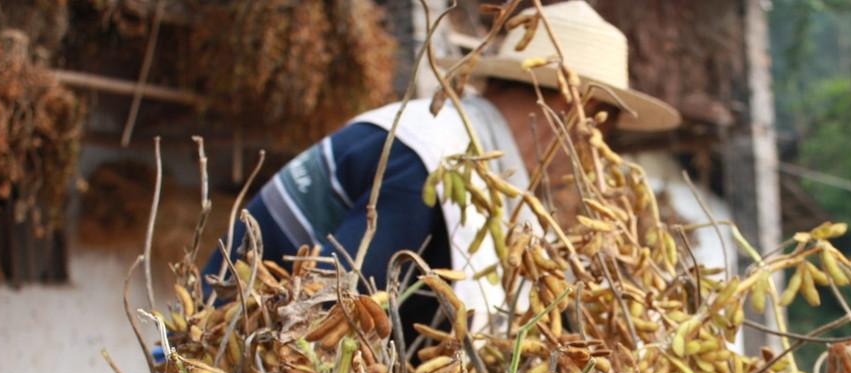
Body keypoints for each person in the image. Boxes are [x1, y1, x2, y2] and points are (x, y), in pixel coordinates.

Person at [203, 0, 679, 333]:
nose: (595, 149)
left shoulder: (465, 158)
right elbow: (336, 313)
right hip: (231, 358)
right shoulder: (426, 158)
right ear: (566, 106)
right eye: (600, 127)